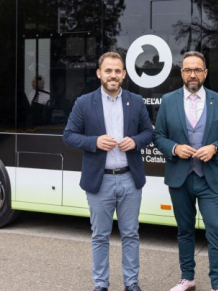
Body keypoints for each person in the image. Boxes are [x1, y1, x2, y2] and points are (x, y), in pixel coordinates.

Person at [63, 51, 153, 291]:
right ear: (99, 73)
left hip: (129, 179)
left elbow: (149, 133)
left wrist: (135, 141)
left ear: (123, 74)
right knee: (100, 236)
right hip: (99, 181)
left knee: (131, 235)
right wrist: (93, 142)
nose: (113, 75)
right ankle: (101, 284)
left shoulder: (135, 100)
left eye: (117, 71)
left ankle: (131, 283)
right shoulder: (84, 102)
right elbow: (69, 135)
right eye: (108, 71)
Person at [153, 51, 218, 291]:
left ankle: (217, 285)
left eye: (197, 70)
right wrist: (175, 148)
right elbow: (159, 136)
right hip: (180, 178)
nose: (192, 74)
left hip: (210, 179)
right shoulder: (168, 101)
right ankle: (187, 278)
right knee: (184, 231)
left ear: (205, 73)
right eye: (188, 70)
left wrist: (215, 147)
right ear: (181, 73)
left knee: (216, 230)